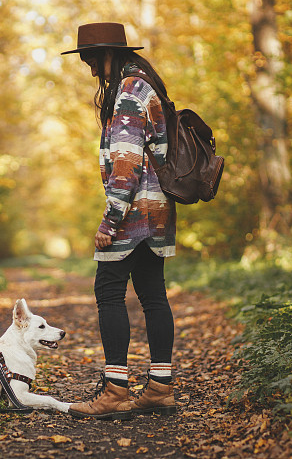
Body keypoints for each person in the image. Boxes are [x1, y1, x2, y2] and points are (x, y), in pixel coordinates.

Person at [61, 22, 177, 420]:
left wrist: (110, 221)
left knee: (108, 291)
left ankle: (114, 392)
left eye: (93, 59)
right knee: (152, 294)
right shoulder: (146, 85)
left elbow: (126, 163)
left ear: (109, 54)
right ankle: (160, 388)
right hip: (157, 209)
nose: (92, 69)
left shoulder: (129, 91)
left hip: (133, 210)